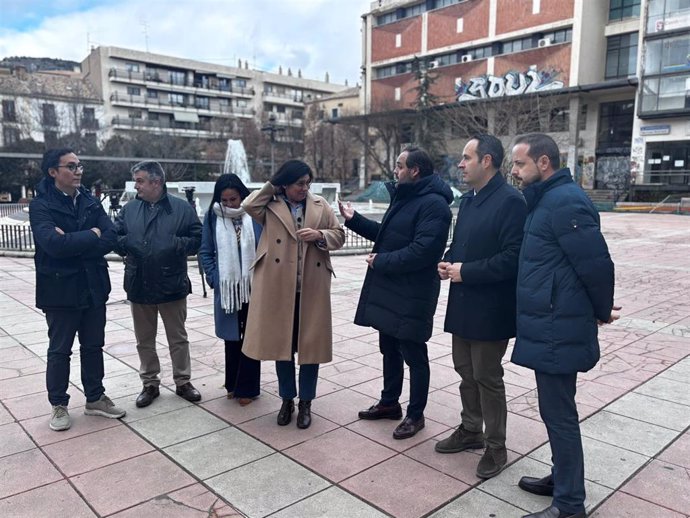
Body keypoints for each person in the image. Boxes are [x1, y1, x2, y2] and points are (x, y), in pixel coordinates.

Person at [509, 133, 619, 518]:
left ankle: (570, 504)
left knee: (560, 415)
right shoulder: (547, 200)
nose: (515, 171)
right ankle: (561, 478)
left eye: (520, 164)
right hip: (549, 322)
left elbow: (597, 265)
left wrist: (602, 310)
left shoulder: (565, 201)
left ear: (543, 163)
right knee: (555, 410)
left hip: (557, 325)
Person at [339, 146, 453, 440]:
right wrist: (355, 219)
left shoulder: (434, 205)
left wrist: (381, 261)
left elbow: (424, 251)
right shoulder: (406, 197)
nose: (395, 171)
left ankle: (416, 415)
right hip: (392, 289)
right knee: (388, 348)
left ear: (414, 170)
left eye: (399, 165)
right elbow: (389, 236)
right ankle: (390, 403)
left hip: (413, 293)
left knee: (414, 354)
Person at [436, 135, 527, 478]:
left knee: (488, 376)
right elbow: (463, 246)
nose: (460, 164)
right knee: (465, 371)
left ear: (486, 161)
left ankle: (496, 446)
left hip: (491, 308)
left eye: (466, 158)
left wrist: (465, 271)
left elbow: (513, 259)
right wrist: (448, 262)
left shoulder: (511, 201)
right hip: (462, 304)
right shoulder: (470, 201)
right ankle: (470, 429)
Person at [242, 160, 344, 429]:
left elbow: (339, 235)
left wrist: (320, 234)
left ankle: (306, 402)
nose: (305, 188)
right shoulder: (270, 206)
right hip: (278, 288)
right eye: (299, 183)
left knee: (311, 348)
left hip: (311, 286)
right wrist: (273, 185)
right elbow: (248, 205)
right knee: (282, 347)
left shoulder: (321, 205)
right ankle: (287, 399)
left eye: (307, 183)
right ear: (285, 184)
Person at [29, 148, 126, 431]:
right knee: (60, 350)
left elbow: (109, 236)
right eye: (71, 166)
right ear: (53, 172)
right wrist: (90, 235)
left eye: (80, 165)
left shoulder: (89, 200)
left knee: (93, 346)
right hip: (60, 290)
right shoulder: (41, 205)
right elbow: (53, 245)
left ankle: (95, 398)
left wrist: (77, 240)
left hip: (93, 286)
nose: (78, 171)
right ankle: (59, 404)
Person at [114, 161, 203, 408]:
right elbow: (115, 236)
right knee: (144, 339)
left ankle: (183, 381)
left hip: (171, 283)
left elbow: (198, 239)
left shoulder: (182, 209)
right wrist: (128, 244)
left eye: (140, 181)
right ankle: (149, 384)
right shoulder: (129, 209)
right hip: (139, 283)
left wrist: (174, 244)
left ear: (156, 182)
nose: (136, 186)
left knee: (178, 337)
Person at [199, 174, 262, 405]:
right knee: (232, 338)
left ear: (242, 196)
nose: (229, 204)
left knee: (252, 337)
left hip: (254, 286)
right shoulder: (213, 217)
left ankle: (248, 389)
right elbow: (205, 251)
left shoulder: (255, 215)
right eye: (224, 200)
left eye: (233, 199)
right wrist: (215, 278)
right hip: (228, 289)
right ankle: (233, 385)